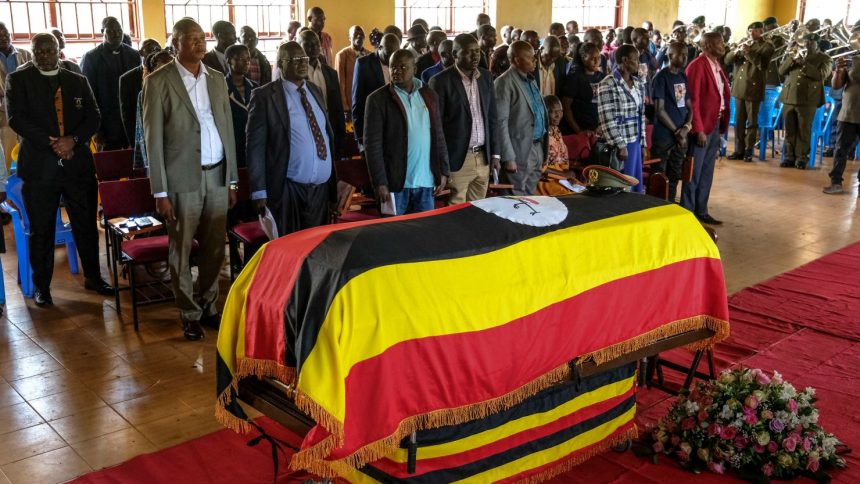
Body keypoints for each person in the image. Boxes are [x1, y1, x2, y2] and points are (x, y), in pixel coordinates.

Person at [143, 18, 238, 340]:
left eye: (202, 38)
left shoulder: (215, 79)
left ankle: (209, 305)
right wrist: (161, 191)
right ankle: (188, 311)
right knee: (181, 249)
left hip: (217, 175)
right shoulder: (158, 81)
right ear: (175, 43)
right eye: (191, 38)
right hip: (182, 179)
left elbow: (227, 130)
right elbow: (152, 140)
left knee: (214, 248)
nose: (200, 43)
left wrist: (233, 180)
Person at [7, 33, 114, 307]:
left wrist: (73, 141)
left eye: (48, 50)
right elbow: (16, 118)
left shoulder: (77, 80)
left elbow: (94, 116)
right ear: (31, 53)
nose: (43, 55)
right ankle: (43, 287)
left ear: (58, 51)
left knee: (86, 225)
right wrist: (51, 142)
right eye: (38, 51)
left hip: (77, 165)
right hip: (40, 169)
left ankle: (94, 277)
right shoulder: (18, 80)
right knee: (41, 230)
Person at [246, 42, 337, 238]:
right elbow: (255, 147)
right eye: (295, 60)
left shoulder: (315, 91)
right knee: (291, 247)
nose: (303, 63)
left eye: (304, 59)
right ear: (280, 63)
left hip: (320, 190)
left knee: (317, 249)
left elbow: (324, 135)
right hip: (287, 188)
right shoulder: (265, 96)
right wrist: (259, 191)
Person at [365, 50, 449, 215]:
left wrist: (444, 171)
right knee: (394, 235)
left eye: (403, 67)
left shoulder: (429, 95)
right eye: (393, 67)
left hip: (426, 181)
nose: (397, 71)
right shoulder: (377, 99)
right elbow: (372, 145)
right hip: (395, 184)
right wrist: (380, 182)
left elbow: (438, 135)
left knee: (423, 236)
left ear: (415, 69)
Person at [429, 34, 500, 204]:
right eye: (468, 52)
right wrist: (443, 166)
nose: (475, 56)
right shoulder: (440, 81)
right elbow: (436, 127)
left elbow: (493, 118)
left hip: (483, 157)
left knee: (479, 210)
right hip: (458, 158)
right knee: (456, 211)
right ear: (455, 54)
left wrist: (495, 155)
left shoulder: (486, 77)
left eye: (477, 51)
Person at [683, 32, 730, 225]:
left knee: (707, 171)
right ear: (708, 45)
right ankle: (688, 212)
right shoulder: (697, 66)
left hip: (715, 123)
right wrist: (698, 128)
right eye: (719, 42)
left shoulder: (717, 65)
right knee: (693, 172)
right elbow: (693, 100)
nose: (723, 45)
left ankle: (701, 209)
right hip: (702, 126)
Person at [495, 40, 548, 195]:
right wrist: (508, 157)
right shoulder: (504, 82)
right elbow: (501, 123)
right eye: (530, 58)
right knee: (515, 199)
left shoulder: (530, 80)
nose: (535, 61)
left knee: (530, 197)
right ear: (517, 60)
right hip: (519, 150)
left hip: (537, 146)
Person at [80, 17, 140, 150]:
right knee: (110, 167)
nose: (116, 34)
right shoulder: (91, 58)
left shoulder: (134, 55)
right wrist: (97, 130)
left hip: (133, 123)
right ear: (103, 31)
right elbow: (89, 96)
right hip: (107, 126)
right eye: (111, 30)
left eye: (119, 30)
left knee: (135, 167)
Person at [597, 44, 647, 192]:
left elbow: (641, 115)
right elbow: (607, 119)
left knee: (634, 182)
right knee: (622, 185)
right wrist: (621, 145)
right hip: (620, 144)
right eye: (635, 60)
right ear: (625, 60)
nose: (638, 63)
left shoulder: (638, 84)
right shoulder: (608, 84)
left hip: (635, 141)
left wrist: (643, 143)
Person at [778, 33, 831, 170]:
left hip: (808, 100)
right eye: (805, 41)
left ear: (817, 44)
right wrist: (791, 59)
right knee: (789, 130)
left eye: (810, 42)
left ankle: (801, 158)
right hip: (789, 97)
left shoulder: (824, 58)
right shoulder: (795, 55)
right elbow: (781, 71)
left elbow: (821, 75)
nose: (806, 44)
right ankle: (789, 157)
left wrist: (804, 64)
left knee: (803, 130)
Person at [725, 22, 774, 162]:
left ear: (761, 31)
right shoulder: (744, 42)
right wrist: (736, 51)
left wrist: (748, 52)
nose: (751, 34)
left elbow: (762, 65)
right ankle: (738, 150)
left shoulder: (767, 46)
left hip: (754, 89)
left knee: (752, 123)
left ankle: (748, 150)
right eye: (750, 31)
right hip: (739, 88)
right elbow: (728, 60)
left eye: (755, 31)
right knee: (739, 122)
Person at [651, 41, 692, 202]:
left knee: (675, 174)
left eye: (686, 55)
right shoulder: (661, 77)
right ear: (669, 56)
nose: (684, 58)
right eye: (680, 54)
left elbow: (689, 106)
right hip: (664, 136)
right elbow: (659, 110)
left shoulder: (682, 76)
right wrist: (677, 131)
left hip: (681, 135)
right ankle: (656, 207)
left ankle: (670, 205)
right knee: (659, 176)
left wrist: (686, 127)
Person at [298, 30, 345, 158]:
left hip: (328, 129)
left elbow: (337, 108)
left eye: (316, 44)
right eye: (307, 44)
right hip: (304, 132)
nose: (313, 47)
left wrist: (340, 138)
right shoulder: (296, 74)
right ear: (299, 46)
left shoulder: (330, 73)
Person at [352, 33, 399, 147]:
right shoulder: (363, 64)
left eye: (395, 54)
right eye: (388, 54)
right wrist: (360, 138)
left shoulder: (398, 62)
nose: (391, 59)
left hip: (395, 128)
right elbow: (357, 102)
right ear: (380, 48)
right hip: (373, 127)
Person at [823, 51, 860, 194]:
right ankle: (836, 182)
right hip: (848, 113)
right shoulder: (851, 58)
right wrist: (838, 71)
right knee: (840, 150)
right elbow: (837, 86)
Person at [132, 50, 174, 171]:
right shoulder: (146, 92)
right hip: (157, 147)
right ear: (154, 70)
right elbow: (143, 127)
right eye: (163, 65)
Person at [119, 38, 161, 148]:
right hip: (140, 133)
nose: (154, 53)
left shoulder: (166, 74)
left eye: (157, 50)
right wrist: (134, 142)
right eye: (150, 50)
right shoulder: (127, 79)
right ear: (141, 52)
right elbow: (127, 115)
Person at [537, 95, 581, 196]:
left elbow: (563, 161)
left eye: (560, 111)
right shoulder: (539, 134)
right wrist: (563, 174)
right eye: (553, 111)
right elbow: (538, 167)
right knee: (569, 195)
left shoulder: (556, 131)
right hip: (545, 180)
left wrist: (568, 176)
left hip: (561, 178)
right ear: (544, 112)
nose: (558, 115)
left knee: (583, 189)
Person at [561, 42, 605, 137]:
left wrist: (602, 125)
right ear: (584, 58)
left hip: (598, 129)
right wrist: (578, 130)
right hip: (581, 129)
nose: (597, 61)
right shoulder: (575, 77)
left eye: (599, 58)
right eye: (593, 58)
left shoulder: (601, 77)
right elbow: (566, 106)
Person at [335, 26, 369, 117]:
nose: (359, 36)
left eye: (361, 34)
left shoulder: (369, 55)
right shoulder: (342, 55)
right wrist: (345, 107)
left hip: (367, 102)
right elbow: (340, 83)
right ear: (350, 37)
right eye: (355, 34)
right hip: (350, 102)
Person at [763, 17, 784, 86]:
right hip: (764, 74)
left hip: (773, 75)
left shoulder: (779, 38)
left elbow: (771, 55)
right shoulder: (766, 38)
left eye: (766, 26)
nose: (764, 28)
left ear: (774, 26)